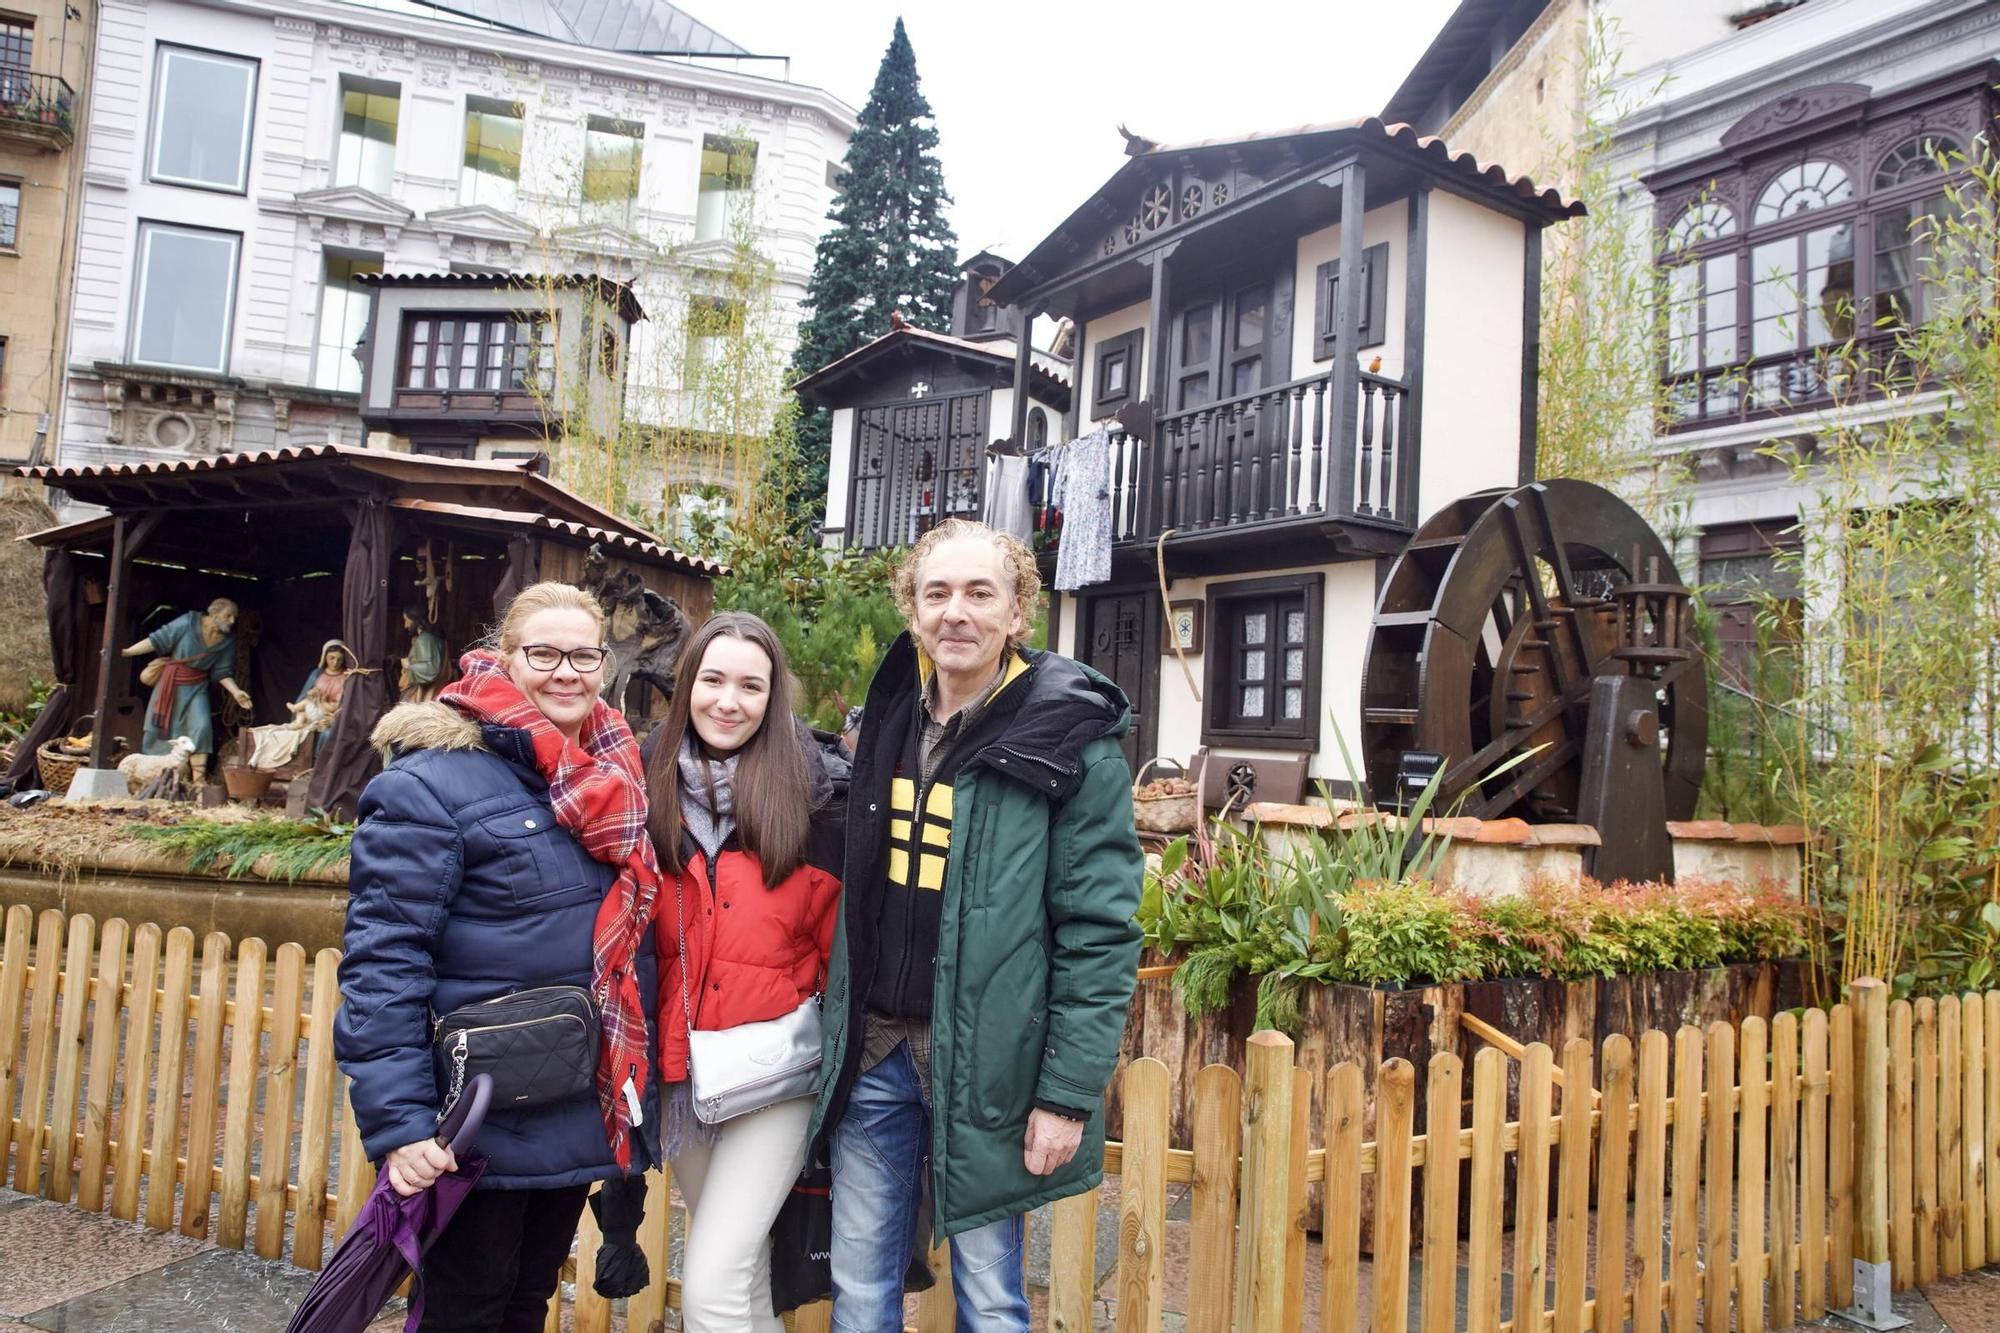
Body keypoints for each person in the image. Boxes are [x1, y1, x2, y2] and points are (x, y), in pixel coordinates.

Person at [812, 517, 1144, 1331]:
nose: (955, 611)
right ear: (913, 611)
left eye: (978, 592)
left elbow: (1099, 930)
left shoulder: (1069, 742)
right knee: (859, 1291)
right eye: (936, 593)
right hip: (877, 1049)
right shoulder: (885, 720)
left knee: (992, 1300)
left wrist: (1066, 1095)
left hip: (991, 1068)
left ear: (1017, 612)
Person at [333, 581, 663, 1333]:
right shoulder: (429, 782)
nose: (566, 672)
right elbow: (385, 962)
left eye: (583, 654)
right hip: (473, 1113)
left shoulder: (615, 776)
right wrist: (401, 1125)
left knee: (527, 1295)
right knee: (465, 1304)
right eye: (543, 653)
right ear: (504, 659)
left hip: (574, 1097)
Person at [642, 611, 846, 1331]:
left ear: (773, 696)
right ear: (686, 683)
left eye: (751, 685)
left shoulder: (817, 802)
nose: (729, 700)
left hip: (776, 1075)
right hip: (683, 1075)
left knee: (710, 1286)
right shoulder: (645, 791)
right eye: (713, 678)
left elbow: (836, 948)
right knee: (742, 1269)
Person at [123, 596, 253, 785]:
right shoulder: (186, 623)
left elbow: (222, 672)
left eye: (234, 617)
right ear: (214, 612)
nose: (232, 621)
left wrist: (236, 692)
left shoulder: (227, 642)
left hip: (197, 686)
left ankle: (198, 782)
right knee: (159, 730)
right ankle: (155, 780)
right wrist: (128, 652)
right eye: (228, 615)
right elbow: (156, 640)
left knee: (201, 726)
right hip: (171, 684)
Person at [244, 639, 356, 770]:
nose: (335, 662)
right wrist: (310, 697)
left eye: (339, 659)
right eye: (331, 658)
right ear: (324, 657)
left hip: (330, 716)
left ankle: (321, 766)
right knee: (301, 717)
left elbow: (345, 704)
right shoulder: (316, 675)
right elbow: (304, 696)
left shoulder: (347, 677)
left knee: (328, 734)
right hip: (311, 714)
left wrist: (333, 719)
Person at [400, 604, 448, 704]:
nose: (406, 625)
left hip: (421, 695)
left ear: (414, 619)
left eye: (407, 620)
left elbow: (431, 669)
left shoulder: (424, 639)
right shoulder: (429, 638)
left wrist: (409, 666)